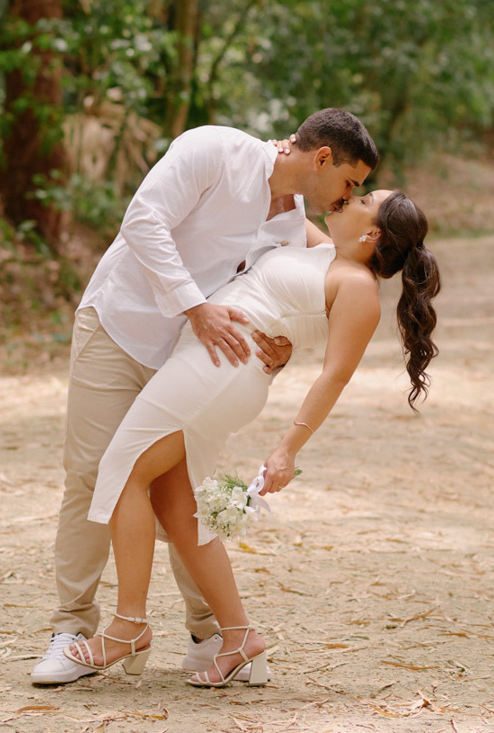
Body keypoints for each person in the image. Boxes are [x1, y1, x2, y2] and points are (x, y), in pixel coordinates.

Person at [31, 108, 379, 685]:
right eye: (349, 182)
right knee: (94, 474)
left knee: (181, 489)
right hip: (121, 325)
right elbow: (143, 220)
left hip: (194, 361)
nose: (348, 196)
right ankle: (72, 625)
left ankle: (211, 631)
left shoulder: (293, 224)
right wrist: (194, 306)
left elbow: (295, 291)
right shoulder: (215, 149)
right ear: (322, 158)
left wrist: (283, 348)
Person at [63, 189, 441, 687]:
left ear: (373, 234)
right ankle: (239, 636)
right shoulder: (321, 247)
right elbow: (288, 192)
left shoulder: (357, 287)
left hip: (219, 369)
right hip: (207, 360)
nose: (350, 196)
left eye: (365, 197)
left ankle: (127, 627)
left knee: (124, 472)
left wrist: (287, 449)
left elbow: (334, 376)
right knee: (177, 506)